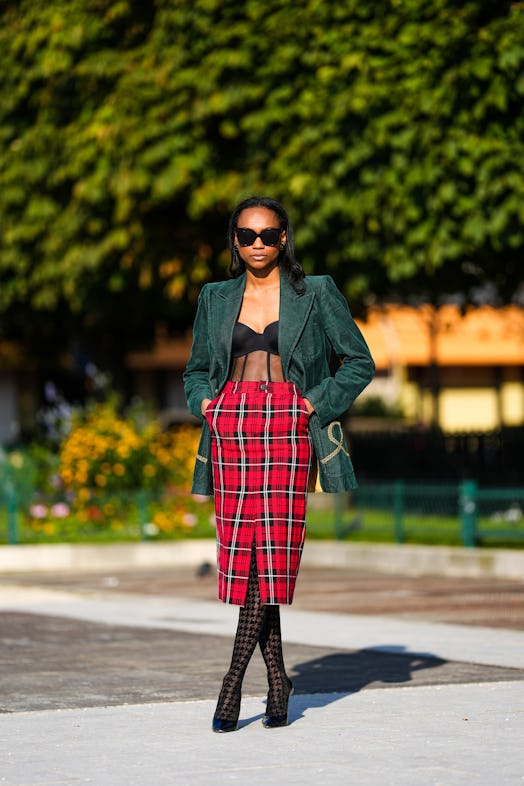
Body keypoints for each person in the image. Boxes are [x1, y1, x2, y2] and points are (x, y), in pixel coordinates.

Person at [183, 196, 374, 732]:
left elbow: (359, 361)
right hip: (232, 429)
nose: (258, 244)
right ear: (234, 241)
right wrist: (205, 403)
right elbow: (196, 369)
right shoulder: (216, 297)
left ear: (285, 237)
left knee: (273, 556)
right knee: (244, 558)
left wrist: (314, 403)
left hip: (288, 427)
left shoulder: (316, 292)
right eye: (247, 235)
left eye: (268, 234)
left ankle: (230, 683)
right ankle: (278, 682)